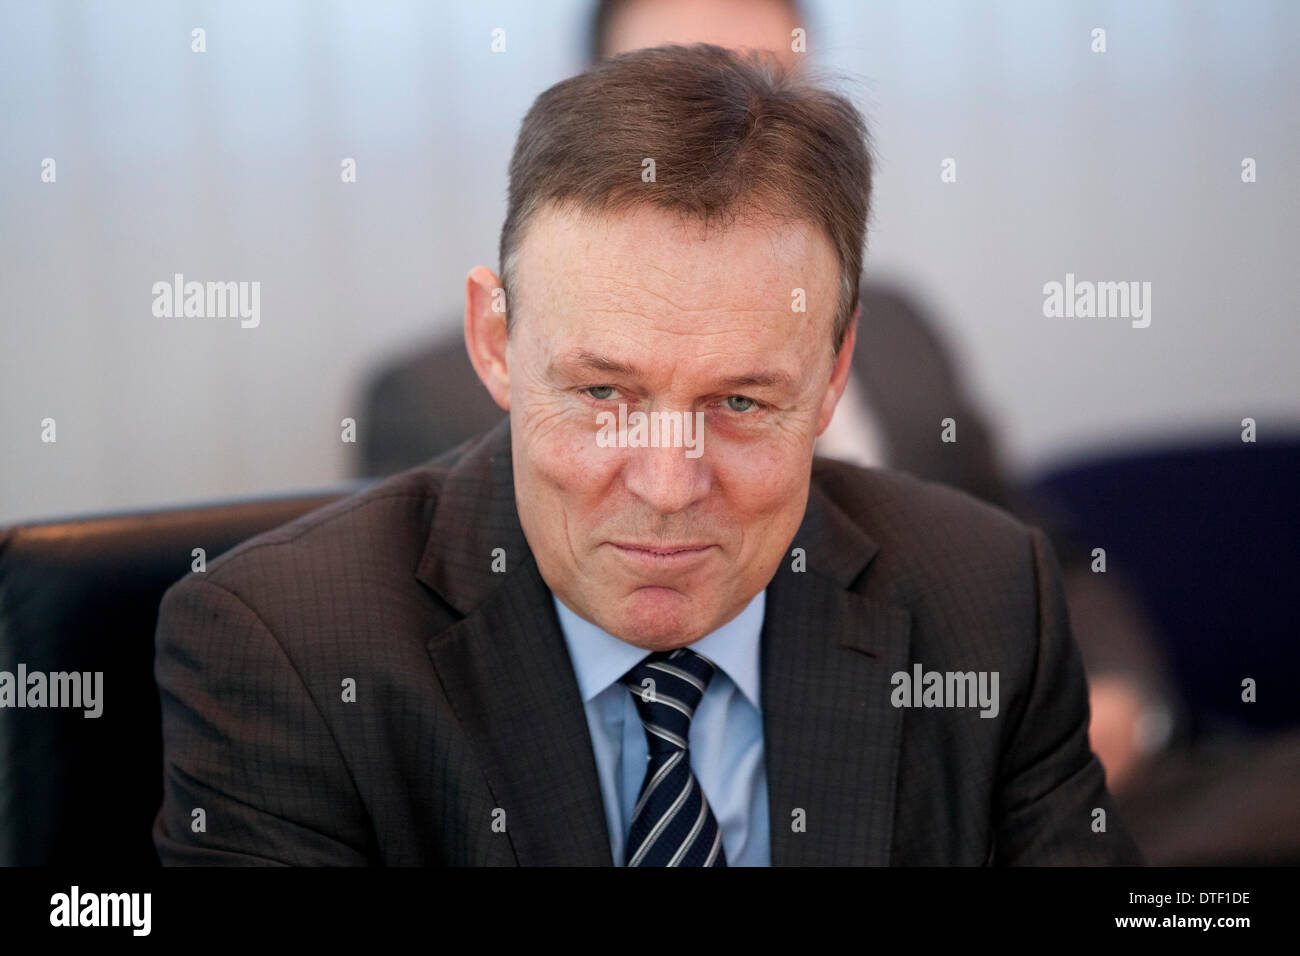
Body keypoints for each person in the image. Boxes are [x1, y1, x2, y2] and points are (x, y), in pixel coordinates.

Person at [153, 45, 1141, 866]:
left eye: (741, 401)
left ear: (833, 375)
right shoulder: (286, 650)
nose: (668, 487)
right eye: (602, 393)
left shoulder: (984, 599)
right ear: (495, 342)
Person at [357, 0, 1176, 803]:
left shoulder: (899, 335)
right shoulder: (432, 399)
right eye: (603, 392)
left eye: (771, 87)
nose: (733, 125)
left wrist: (1121, 703)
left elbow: (1037, 553)